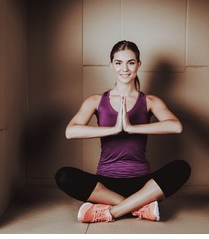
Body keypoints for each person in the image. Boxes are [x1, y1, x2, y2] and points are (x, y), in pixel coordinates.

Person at [55, 40, 191, 223]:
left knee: (181, 168)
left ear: (138, 64)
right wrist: (113, 129)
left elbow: (176, 126)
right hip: (105, 185)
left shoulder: (150, 101)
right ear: (111, 65)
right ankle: (139, 207)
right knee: (64, 176)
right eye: (118, 62)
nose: (124, 68)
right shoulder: (95, 101)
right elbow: (70, 131)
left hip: (143, 184)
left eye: (131, 62)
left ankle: (111, 212)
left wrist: (131, 128)